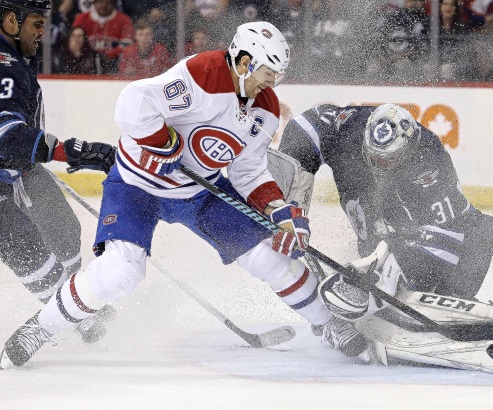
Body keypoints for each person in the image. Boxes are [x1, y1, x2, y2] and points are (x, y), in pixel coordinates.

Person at [0, 21, 367, 370]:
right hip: (137, 184)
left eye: (276, 78)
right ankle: (41, 328)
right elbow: (132, 102)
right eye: (267, 75)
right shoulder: (203, 73)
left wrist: (277, 209)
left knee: (267, 256)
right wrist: (163, 141)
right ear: (244, 62)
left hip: (199, 190)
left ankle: (327, 323)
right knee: (120, 271)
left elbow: (248, 170)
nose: (271, 85)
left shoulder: (265, 108)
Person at [272, 103, 493, 375]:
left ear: (408, 149)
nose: (378, 166)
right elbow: (306, 126)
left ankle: (441, 308)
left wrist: (392, 272)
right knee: (367, 287)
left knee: (415, 291)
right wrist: (289, 195)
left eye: (388, 160)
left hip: (461, 245)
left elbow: (445, 238)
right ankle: (341, 318)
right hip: (388, 232)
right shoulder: (350, 127)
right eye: (373, 157)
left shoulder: (430, 165)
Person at [0, 0, 117, 346]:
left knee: (65, 229)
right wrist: (71, 148)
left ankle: (75, 301)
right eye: (36, 23)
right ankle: (69, 316)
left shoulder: (15, 58)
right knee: (26, 250)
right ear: (10, 20)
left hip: (16, 169)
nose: (42, 32)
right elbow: (5, 133)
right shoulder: (3, 64)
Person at [71, 0, 134, 73]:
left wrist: (109, 55)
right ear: (94, 3)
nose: (104, 5)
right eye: (100, 2)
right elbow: (72, 42)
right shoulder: (82, 18)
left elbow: (128, 45)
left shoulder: (124, 20)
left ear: (113, 3)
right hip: (86, 61)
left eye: (107, 2)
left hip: (114, 63)